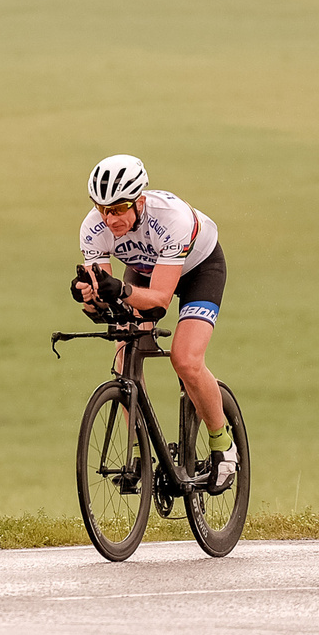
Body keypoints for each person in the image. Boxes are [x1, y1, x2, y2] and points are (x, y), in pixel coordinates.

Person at [68, 154, 236, 492]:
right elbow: (106, 299)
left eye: (117, 209)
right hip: (144, 271)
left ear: (139, 201)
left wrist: (119, 291)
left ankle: (223, 447)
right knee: (124, 349)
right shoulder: (93, 227)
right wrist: (89, 297)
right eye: (102, 208)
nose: (108, 217)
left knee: (185, 360)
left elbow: (158, 301)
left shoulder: (170, 219)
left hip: (199, 271)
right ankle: (141, 451)